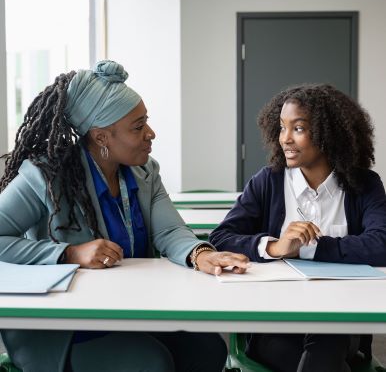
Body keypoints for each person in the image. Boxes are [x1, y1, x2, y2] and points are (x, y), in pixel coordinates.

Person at [0, 60, 249, 372]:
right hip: (65, 326)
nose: (151, 133)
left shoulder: (145, 171)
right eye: (138, 126)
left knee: (208, 348)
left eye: (147, 122)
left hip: (129, 309)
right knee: (151, 363)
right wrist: (69, 253)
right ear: (102, 137)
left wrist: (200, 254)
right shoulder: (45, 177)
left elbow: (170, 231)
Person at [209, 83, 386, 372]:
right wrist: (276, 247)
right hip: (274, 321)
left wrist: (312, 247)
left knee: (328, 339)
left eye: (299, 129)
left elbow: (381, 244)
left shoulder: (364, 184)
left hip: (343, 319)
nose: (285, 139)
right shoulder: (268, 181)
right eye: (281, 128)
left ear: (330, 135)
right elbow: (221, 238)